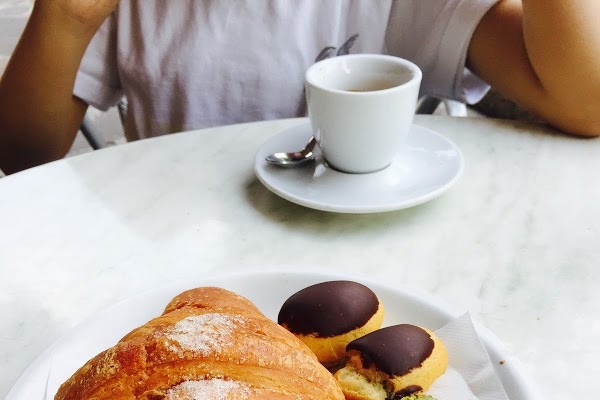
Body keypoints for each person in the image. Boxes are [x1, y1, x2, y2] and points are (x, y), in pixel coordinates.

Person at [1, 0, 599, 175]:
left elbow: (586, 101)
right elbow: (22, 156)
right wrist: (66, 16)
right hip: (175, 266)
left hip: (369, 263)